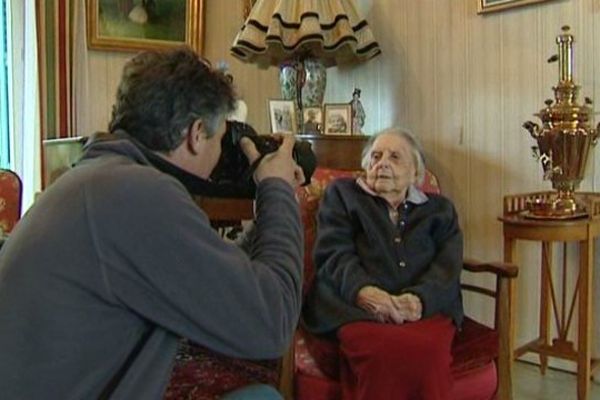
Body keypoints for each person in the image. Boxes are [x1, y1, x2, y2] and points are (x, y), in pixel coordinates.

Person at [0, 47, 305, 399]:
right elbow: (272, 324)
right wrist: (278, 189)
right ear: (195, 134)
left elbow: (208, 281)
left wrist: (264, 216)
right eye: (220, 139)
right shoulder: (138, 195)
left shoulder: (97, 180)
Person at [303, 127, 463, 400]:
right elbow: (334, 252)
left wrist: (419, 299)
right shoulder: (342, 195)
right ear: (365, 166)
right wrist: (364, 293)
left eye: (395, 157)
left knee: (427, 352)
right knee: (379, 350)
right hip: (354, 306)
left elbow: (448, 265)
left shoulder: (440, 209)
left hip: (423, 310)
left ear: (415, 173)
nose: (382, 163)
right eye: (375, 156)